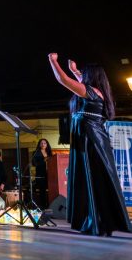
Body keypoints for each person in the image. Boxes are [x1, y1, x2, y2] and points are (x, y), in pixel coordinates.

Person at [48, 53, 131, 236]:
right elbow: (79, 81)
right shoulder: (97, 91)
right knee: (94, 180)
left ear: (90, 77)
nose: (82, 77)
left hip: (90, 139)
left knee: (93, 179)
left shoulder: (90, 92)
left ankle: (98, 221)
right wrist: (75, 70)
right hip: (92, 138)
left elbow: (62, 79)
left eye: (84, 75)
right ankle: (98, 221)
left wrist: (53, 61)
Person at [31, 138, 52, 209]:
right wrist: (44, 160)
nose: (43, 144)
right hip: (41, 174)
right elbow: (34, 164)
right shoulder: (36, 152)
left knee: (52, 189)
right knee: (42, 190)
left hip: (51, 174)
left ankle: (51, 205)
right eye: (41, 143)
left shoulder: (49, 152)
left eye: (45, 143)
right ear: (39, 145)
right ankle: (43, 206)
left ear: (47, 144)